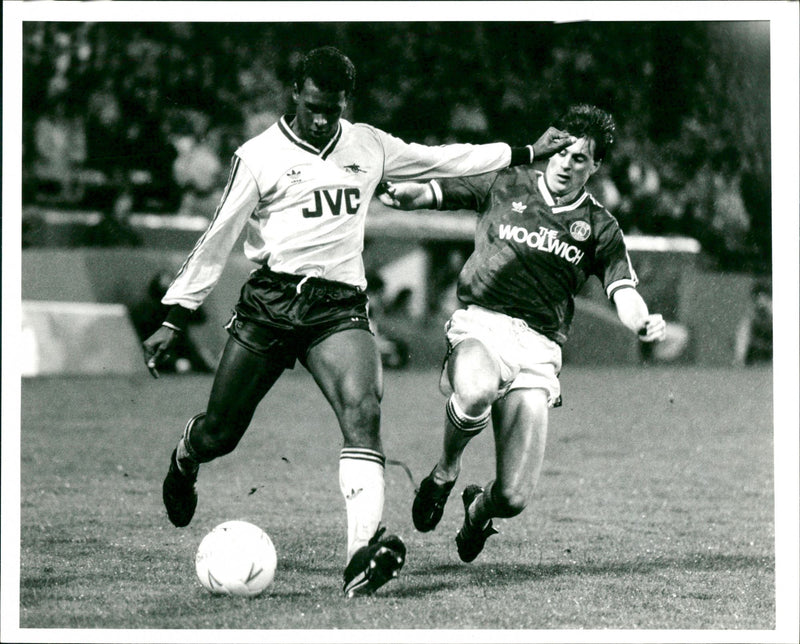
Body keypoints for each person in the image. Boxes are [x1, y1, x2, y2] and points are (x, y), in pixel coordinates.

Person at [141, 46, 575, 598]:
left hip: (338, 307)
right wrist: (174, 317)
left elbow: (441, 158)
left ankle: (358, 560)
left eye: (333, 107)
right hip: (272, 303)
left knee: (364, 412)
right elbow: (218, 236)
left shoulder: (366, 143)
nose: (322, 117)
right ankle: (186, 456)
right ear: (296, 94)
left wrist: (525, 150)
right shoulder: (259, 156)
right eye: (314, 105)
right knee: (221, 434)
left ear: (347, 101)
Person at [379, 104, 667, 563]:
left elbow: (623, 289)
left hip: (538, 351)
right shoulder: (506, 181)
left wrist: (642, 321)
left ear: (595, 166)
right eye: (562, 152)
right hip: (482, 324)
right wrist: (405, 195)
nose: (566, 164)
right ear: (550, 148)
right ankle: (445, 472)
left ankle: (477, 511)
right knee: (474, 391)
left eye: (580, 158)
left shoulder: (598, 226)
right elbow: (437, 191)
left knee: (513, 498)